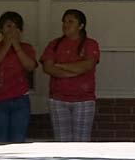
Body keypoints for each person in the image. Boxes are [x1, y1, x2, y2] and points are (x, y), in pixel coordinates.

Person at [40, 9, 100, 142]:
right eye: (64, 21)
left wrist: (61, 66)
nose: (65, 24)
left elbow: (87, 66)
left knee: (82, 143)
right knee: (61, 143)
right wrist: (75, 70)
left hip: (84, 99)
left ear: (81, 25)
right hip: (58, 99)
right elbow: (48, 67)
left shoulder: (90, 44)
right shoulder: (54, 44)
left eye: (70, 21)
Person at [0, 11, 38, 143]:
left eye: (15, 27)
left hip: (20, 99)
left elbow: (30, 66)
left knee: (18, 141)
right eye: (8, 26)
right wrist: (7, 44)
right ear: (0, 28)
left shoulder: (26, 48)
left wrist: (16, 45)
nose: (12, 30)